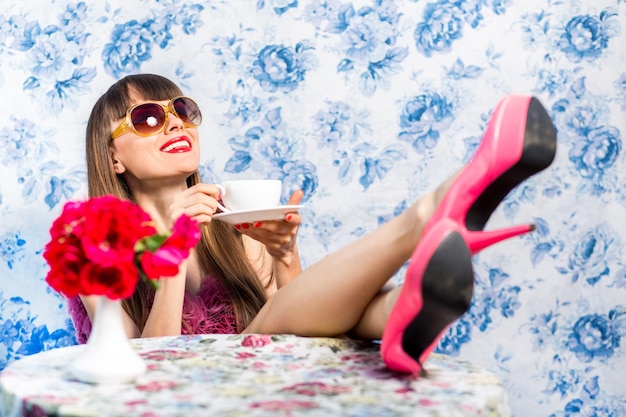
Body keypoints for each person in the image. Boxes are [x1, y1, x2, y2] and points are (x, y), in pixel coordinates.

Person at [66, 73, 557, 375]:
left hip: (251, 383)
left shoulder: (232, 227)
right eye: (149, 118)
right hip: (164, 400)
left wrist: (284, 255)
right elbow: (137, 369)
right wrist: (171, 254)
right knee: (341, 318)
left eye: (184, 111)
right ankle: (423, 232)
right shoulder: (93, 237)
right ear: (112, 157)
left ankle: (401, 306)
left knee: (330, 319)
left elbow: (303, 326)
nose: (176, 124)